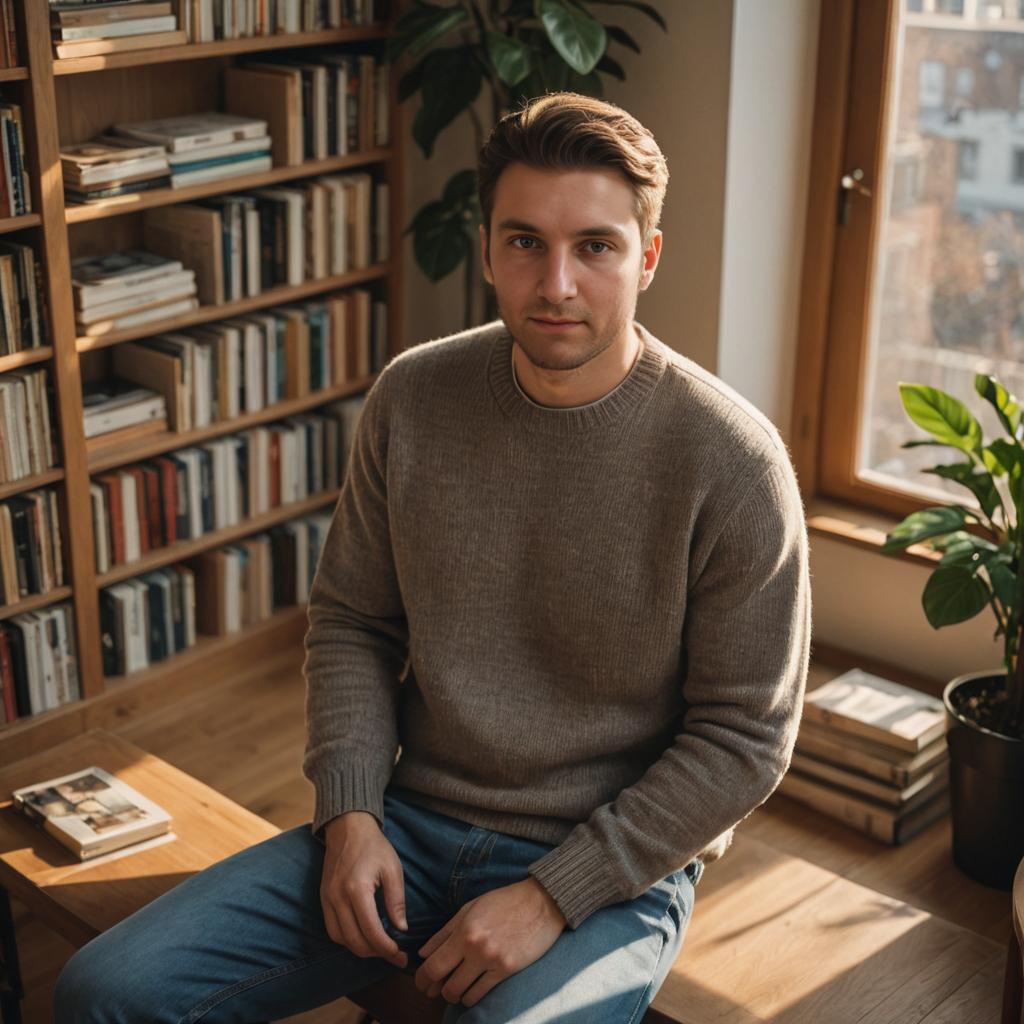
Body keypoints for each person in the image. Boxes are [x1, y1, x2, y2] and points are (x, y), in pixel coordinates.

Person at [53, 91, 811, 1024]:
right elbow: (352, 624)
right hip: (406, 819)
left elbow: (745, 740)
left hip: (613, 868)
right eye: (525, 242)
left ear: (647, 257)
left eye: (597, 247)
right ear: (488, 247)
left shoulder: (733, 461)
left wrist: (553, 895)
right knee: (103, 992)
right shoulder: (413, 398)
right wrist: (350, 814)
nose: (558, 284)